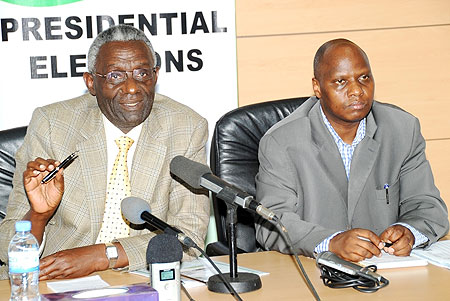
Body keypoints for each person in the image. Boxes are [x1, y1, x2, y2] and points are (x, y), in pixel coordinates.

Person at [0, 24, 210, 280]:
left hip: (140, 275)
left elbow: (188, 237)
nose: (132, 87)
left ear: (155, 76)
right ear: (91, 82)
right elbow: (6, 245)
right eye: (115, 76)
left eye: (142, 73)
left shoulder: (186, 127)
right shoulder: (53, 124)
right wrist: (39, 216)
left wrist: (104, 255)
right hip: (57, 280)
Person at [255, 38, 449, 262]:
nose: (357, 90)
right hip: (310, 273)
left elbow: (428, 207)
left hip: (385, 273)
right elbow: (271, 223)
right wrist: (331, 241)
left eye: (364, 77)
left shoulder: (403, 129)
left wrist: (409, 232)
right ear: (317, 87)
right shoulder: (282, 141)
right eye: (340, 81)